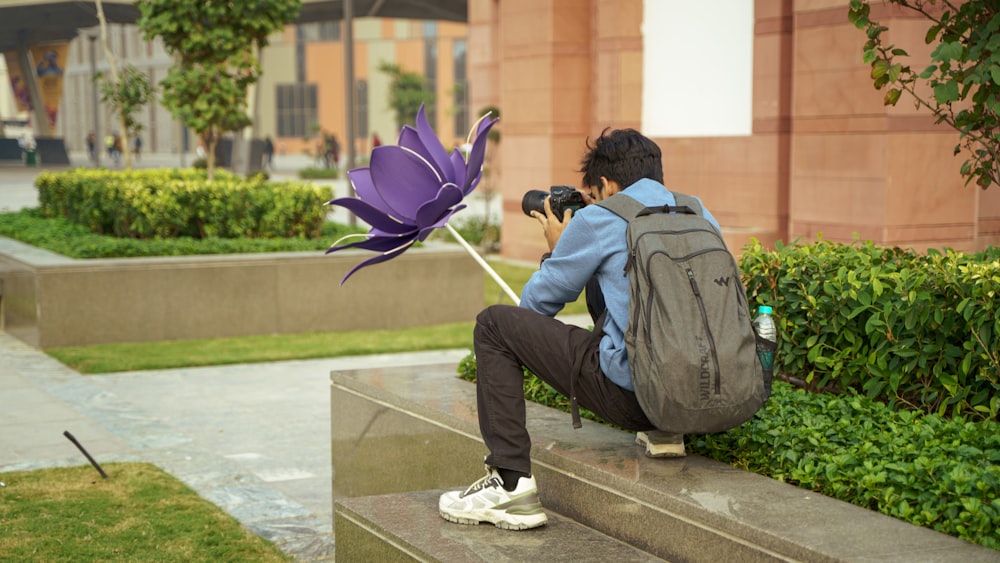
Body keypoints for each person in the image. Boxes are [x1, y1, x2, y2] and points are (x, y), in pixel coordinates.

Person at [437, 128, 722, 531]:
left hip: (633, 396)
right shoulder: (699, 212)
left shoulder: (599, 218)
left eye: (595, 192)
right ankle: (664, 431)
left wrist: (560, 248)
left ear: (604, 184)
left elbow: (536, 309)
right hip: (707, 391)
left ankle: (510, 484)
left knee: (494, 326)